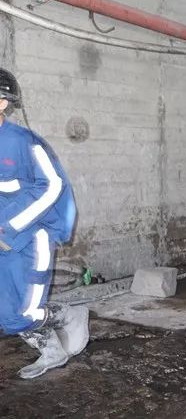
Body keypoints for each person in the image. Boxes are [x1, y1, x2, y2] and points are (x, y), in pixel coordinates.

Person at [0, 68, 88, 379]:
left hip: (29, 239)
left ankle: (66, 315)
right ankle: (52, 351)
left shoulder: (23, 143)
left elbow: (53, 186)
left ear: (2, 102)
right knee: (8, 315)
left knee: (23, 313)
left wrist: (7, 226)